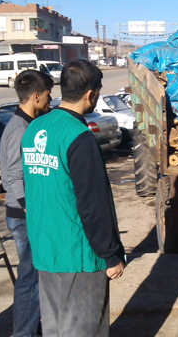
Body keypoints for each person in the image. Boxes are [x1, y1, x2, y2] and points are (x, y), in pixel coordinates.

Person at [21, 59, 126, 336]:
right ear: (91, 95)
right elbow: (93, 204)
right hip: (77, 255)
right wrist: (111, 254)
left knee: (55, 329)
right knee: (83, 329)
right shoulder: (79, 137)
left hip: (46, 250)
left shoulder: (34, 129)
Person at [0, 70, 52, 337]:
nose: (50, 100)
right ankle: (24, 333)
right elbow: (12, 173)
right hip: (23, 215)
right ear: (35, 96)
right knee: (30, 279)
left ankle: (32, 329)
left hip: (23, 213)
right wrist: (28, 207)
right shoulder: (20, 129)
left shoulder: (24, 124)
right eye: (47, 95)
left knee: (34, 277)